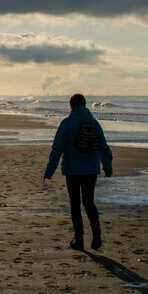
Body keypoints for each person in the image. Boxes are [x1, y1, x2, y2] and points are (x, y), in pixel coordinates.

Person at [43, 94, 113, 251]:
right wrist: (107, 167)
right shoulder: (94, 124)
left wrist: (49, 171)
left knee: (75, 204)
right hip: (91, 170)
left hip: (72, 170)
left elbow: (57, 149)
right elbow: (104, 147)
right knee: (89, 202)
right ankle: (96, 233)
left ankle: (79, 239)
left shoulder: (67, 124)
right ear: (85, 104)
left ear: (71, 106)